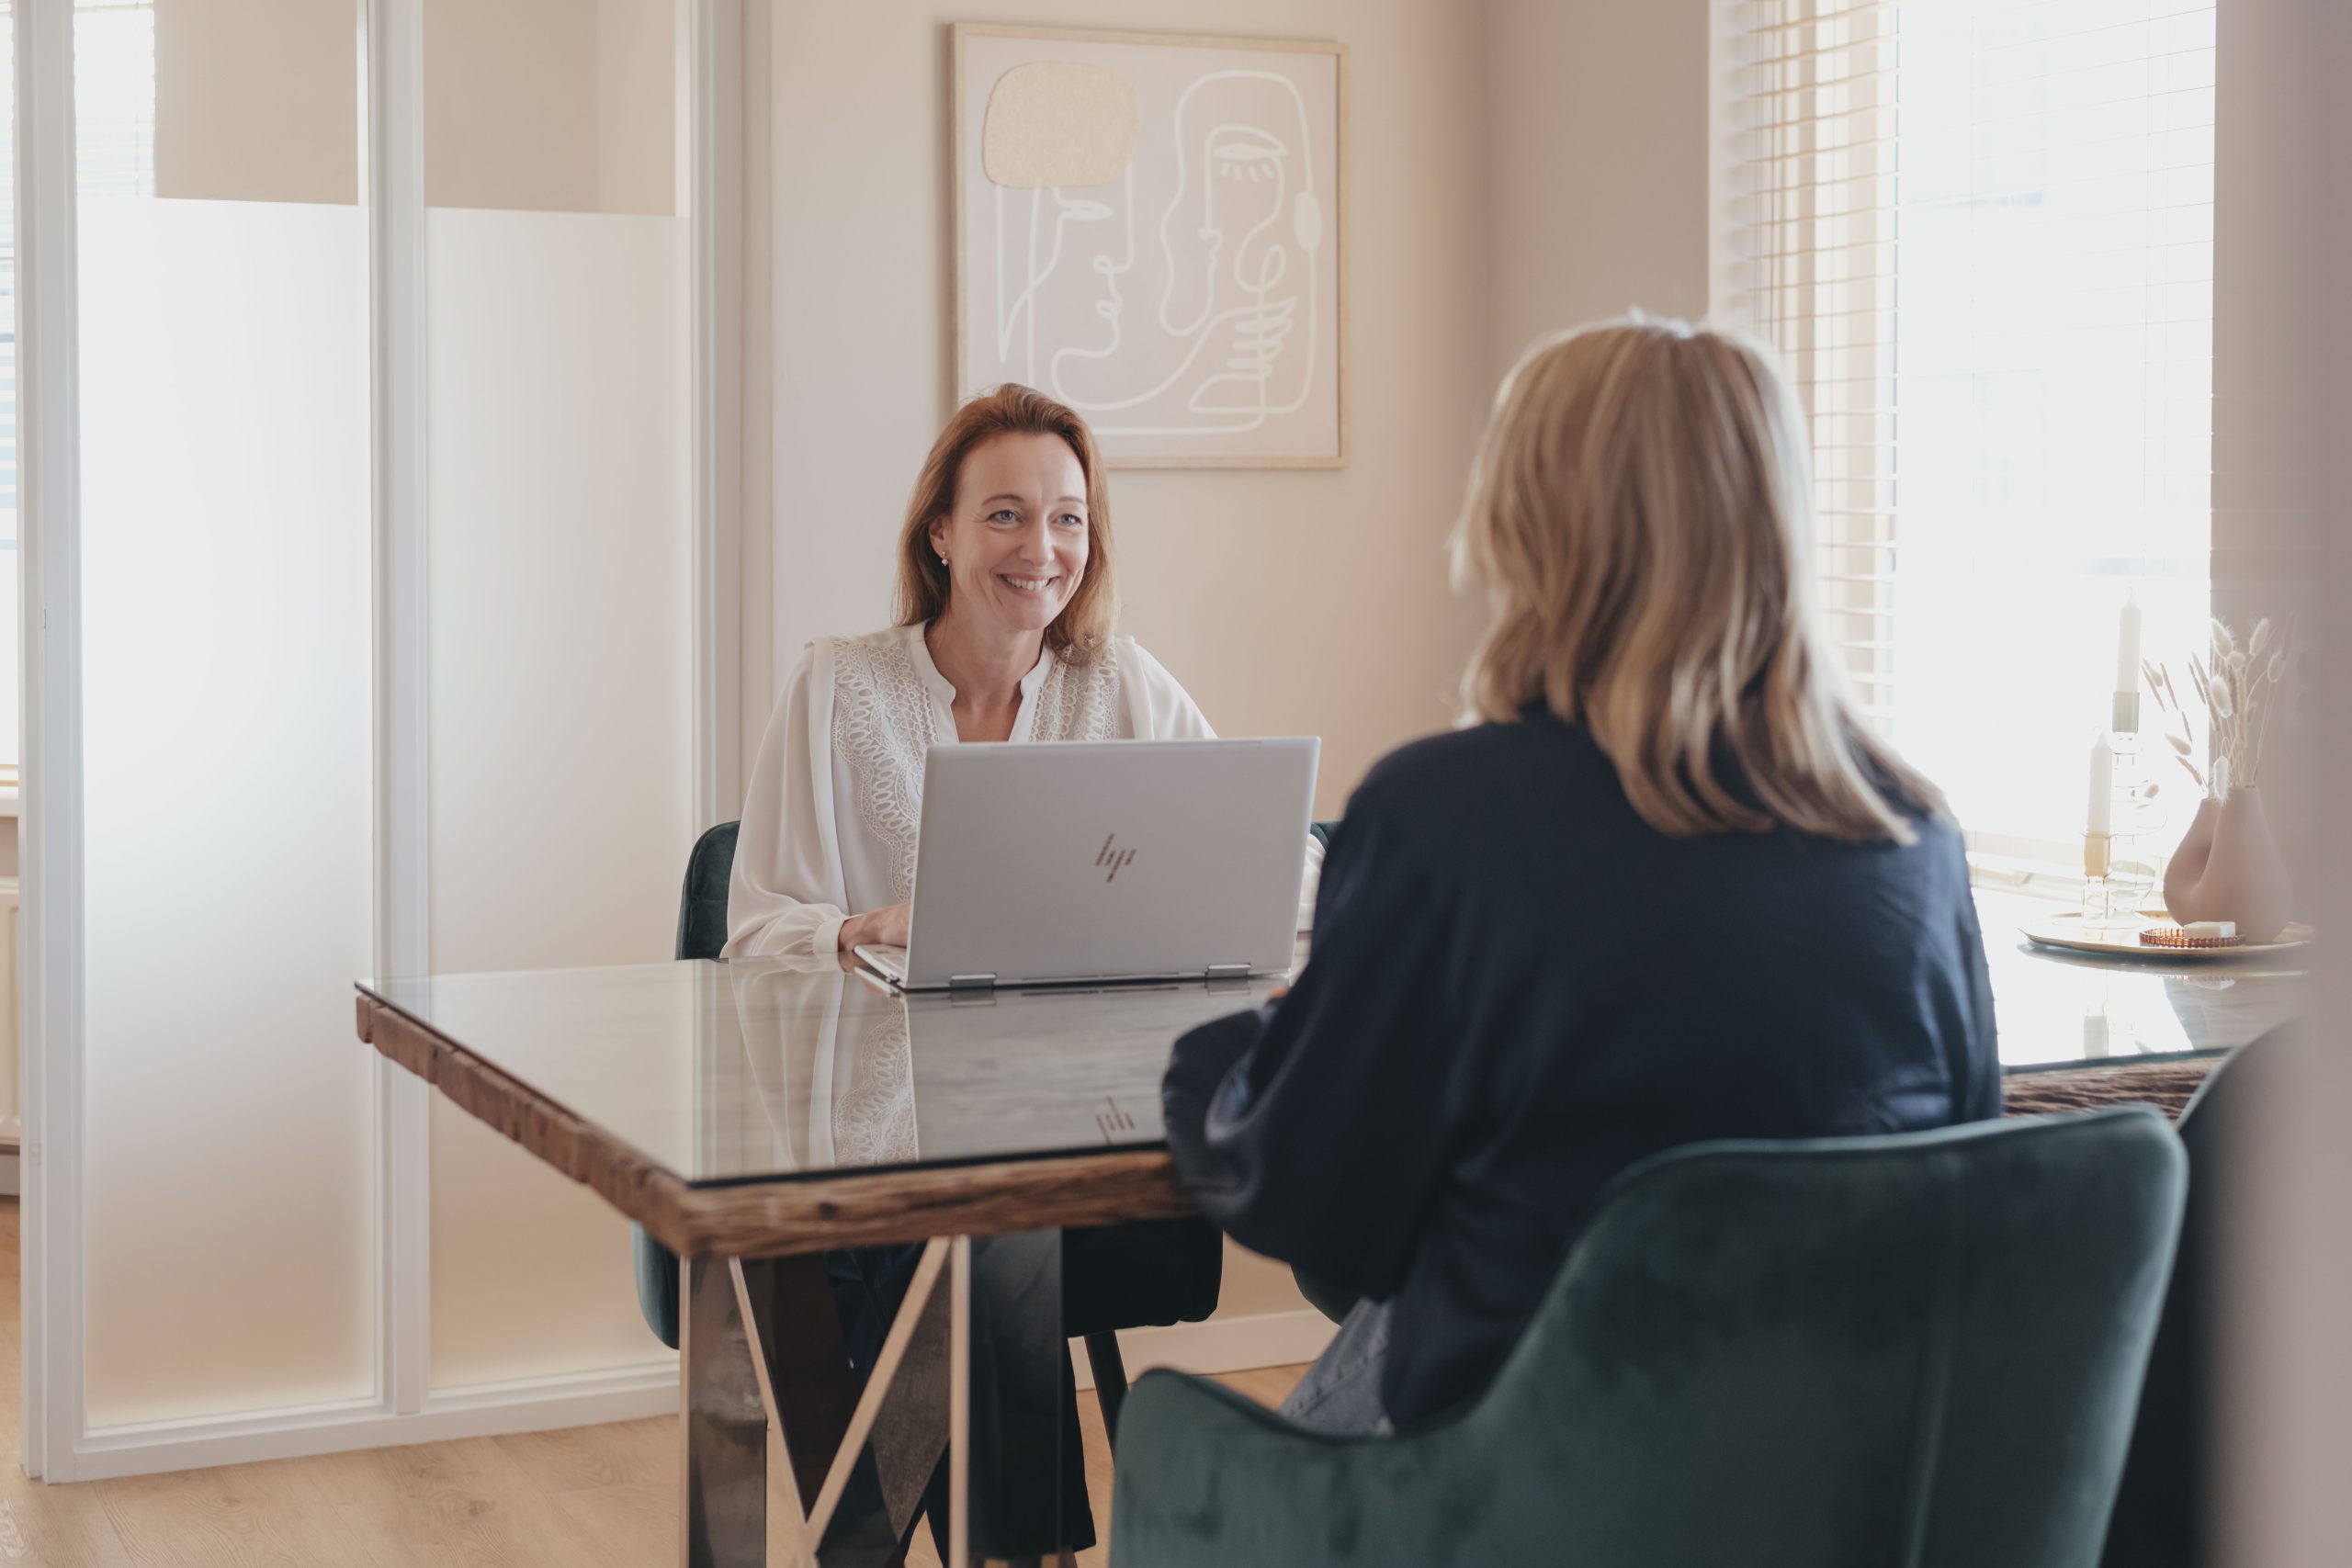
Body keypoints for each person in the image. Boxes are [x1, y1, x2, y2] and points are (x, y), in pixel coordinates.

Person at [1161, 317, 2000, 1438]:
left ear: (1527, 527)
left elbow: (1325, 1212)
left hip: (1538, 1495)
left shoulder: (1442, 818)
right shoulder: (1913, 835)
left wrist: (1221, 1053)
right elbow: (1970, 1176)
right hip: (1847, 1485)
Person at [726, 382, 1317, 1559]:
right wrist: (857, 928)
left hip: (1090, 1151)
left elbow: (1281, 866)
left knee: (964, 1230)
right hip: (871, 1137)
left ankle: (861, 1543)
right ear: (938, 532)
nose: (1039, 548)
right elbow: (753, 932)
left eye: (1067, 519)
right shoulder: (838, 687)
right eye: (1004, 514)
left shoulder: (1125, 686)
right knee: (945, 1235)